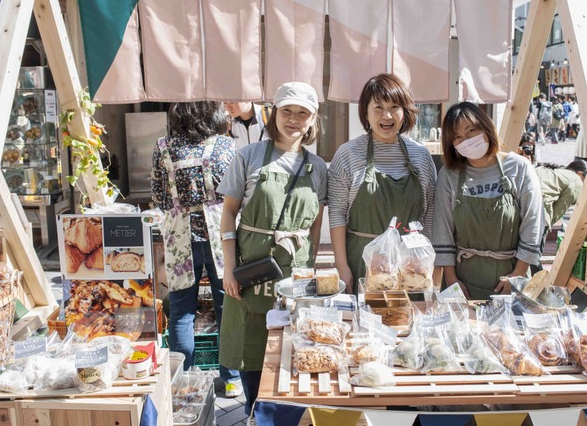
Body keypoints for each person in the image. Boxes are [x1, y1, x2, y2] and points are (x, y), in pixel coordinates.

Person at [217, 82, 328, 415]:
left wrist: (313, 268)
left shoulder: (319, 167)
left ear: (312, 120)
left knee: (296, 353)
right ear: (274, 113)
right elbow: (228, 212)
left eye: (302, 113)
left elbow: (315, 223)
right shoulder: (247, 156)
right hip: (251, 271)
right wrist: (228, 268)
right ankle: (253, 415)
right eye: (287, 111)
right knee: (252, 357)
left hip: (296, 275)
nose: (293, 119)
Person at [150, 101, 242, 395]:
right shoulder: (227, 146)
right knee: (227, 307)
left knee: (181, 311)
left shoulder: (164, 146)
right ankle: (231, 380)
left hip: (180, 235)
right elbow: (238, 192)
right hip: (220, 233)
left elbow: (161, 197)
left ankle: (182, 383)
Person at [328, 73, 437, 294]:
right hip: (362, 263)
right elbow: (337, 212)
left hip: (411, 266)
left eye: (394, 107)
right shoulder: (348, 154)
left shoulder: (421, 156)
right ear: (365, 113)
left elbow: (431, 214)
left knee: (406, 325)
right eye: (378, 107)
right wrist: (342, 266)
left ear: (404, 112)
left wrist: (428, 265)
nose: (386, 116)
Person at [433, 102, 543, 300]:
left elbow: (532, 224)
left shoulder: (519, 168)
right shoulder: (449, 175)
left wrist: (516, 276)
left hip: (510, 277)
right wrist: (451, 280)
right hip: (463, 279)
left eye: (471, 131)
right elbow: (443, 230)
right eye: (457, 137)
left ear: (486, 127)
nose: (465, 140)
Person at [535, 160, 587, 253]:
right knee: (535, 256)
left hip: (517, 206)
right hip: (537, 212)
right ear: (580, 174)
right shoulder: (576, 180)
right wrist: (546, 226)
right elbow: (559, 210)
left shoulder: (548, 169)